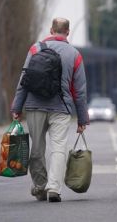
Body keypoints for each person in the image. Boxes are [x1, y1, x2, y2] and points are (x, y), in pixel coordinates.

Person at [11, 17, 89, 203]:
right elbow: (80, 91)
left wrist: (17, 107)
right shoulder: (74, 54)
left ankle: (40, 186)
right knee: (59, 148)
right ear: (68, 32)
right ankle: (54, 188)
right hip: (61, 108)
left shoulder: (35, 49)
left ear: (51, 30)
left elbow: (24, 79)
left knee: (37, 148)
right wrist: (82, 119)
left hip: (34, 105)